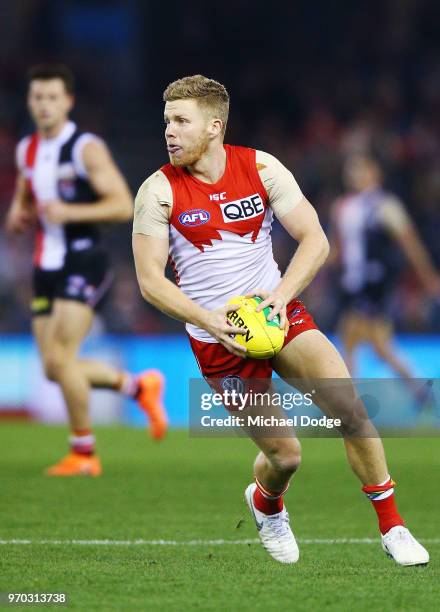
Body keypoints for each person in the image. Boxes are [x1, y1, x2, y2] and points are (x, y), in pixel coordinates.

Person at [132, 74, 428, 565]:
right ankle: (266, 502)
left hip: (278, 313)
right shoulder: (157, 192)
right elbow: (150, 281)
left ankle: (393, 525)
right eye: (167, 122)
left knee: (349, 408)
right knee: (286, 456)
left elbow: (316, 239)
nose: (170, 132)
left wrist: (280, 296)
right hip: (216, 339)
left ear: (214, 126)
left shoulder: (262, 168)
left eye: (182, 121)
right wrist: (210, 319)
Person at [5, 64, 167, 476]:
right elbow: (28, 191)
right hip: (46, 266)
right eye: (38, 97)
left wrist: (70, 210)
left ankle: (83, 452)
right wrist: (18, 212)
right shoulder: (26, 149)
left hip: (84, 259)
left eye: (53, 97)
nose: (44, 105)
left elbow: (122, 203)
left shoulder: (85, 148)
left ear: (68, 102)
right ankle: (137, 386)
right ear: (30, 101)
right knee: (51, 366)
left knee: (61, 359)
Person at [330, 154, 440, 379]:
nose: (354, 174)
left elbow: (410, 244)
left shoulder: (386, 205)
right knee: (379, 346)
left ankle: (345, 403)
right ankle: (421, 391)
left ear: (375, 173)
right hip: (352, 283)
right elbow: (337, 249)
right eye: (351, 169)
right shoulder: (342, 207)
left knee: (350, 335)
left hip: (376, 284)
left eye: (361, 168)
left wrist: (429, 279)